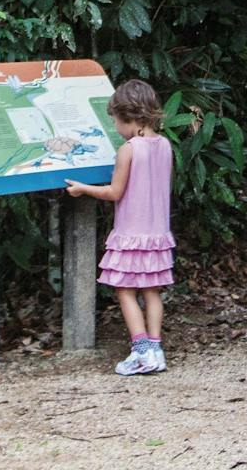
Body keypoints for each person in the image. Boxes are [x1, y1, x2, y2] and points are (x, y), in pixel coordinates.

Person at [65, 79, 174, 375]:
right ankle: (156, 349)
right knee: (152, 292)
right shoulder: (165, 145)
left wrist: (83, 188)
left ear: (130, 117)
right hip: (157, 234)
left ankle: (140, 352)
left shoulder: (128, 150)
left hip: (130, 234)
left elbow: (115, 192)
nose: (114, 127)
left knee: (125, 291)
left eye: (115, 120)